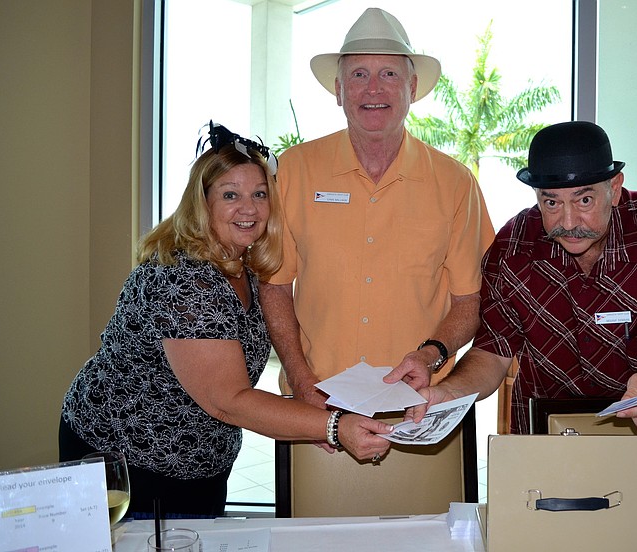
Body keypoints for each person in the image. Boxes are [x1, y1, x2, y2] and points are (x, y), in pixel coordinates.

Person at [60, 123, 393, 517]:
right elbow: (230, 401)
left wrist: (310, 414)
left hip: (200, 459)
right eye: (230, 195)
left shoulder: (242, 264)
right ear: (202, 203)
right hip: (129, 459)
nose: (248, 208)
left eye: (259, 194)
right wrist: (334, 427)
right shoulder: (184, 279)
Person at [411, 121, 637, 463]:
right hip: (544, 432)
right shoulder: (513, 247)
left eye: (584, 199)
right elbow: (493, 352)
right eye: (551, 203)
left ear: (614, 185)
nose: (567, 222)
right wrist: (451, 391)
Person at [260, 7, 495, 433]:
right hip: (317, 404)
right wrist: (298, 377)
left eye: (389, 74)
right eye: (358, 75)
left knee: (430, 505)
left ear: (413, 87)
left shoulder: (455, 183)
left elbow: (471, 300)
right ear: (338, 89)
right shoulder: (294, 170)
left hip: (420, 407)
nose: (374, 89)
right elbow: (275, 286)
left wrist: (430, 355)